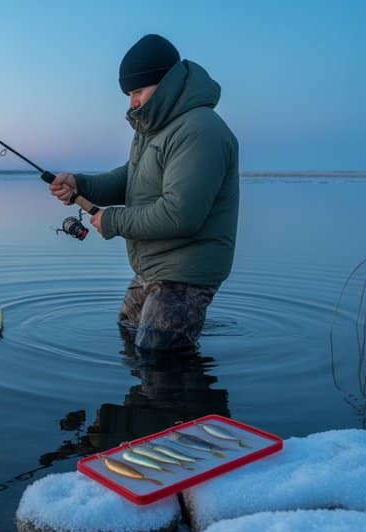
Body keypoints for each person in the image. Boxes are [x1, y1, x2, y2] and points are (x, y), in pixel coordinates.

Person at [49, 34, 239, 352]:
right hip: (153, 266)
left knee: (159, 357)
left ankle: (181, 401)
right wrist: (79, 184)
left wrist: (112, 221)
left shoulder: (200, 130)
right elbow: (131, 179)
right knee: (127, 334)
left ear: (166, 83)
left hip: (185, 273)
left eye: (138, 91)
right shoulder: (154, 129)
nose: (132, 102)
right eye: (129, 93)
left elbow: (181, 215)